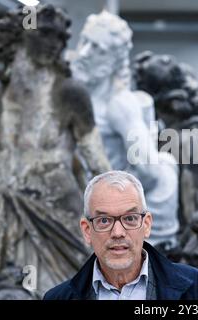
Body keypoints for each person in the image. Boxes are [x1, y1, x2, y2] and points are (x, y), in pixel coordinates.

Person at [0, 5, 111, 295]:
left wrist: (117, 215)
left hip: (60, 218)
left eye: (60, 36)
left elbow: (99, 165)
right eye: (44, 33)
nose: (54, 42)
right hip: (5, 221)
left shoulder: (70, 93)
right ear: (19, 35)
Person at [69, 11, 179, 249]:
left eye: (97, 48)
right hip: (65, 198)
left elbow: (149, 172)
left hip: (101, 210)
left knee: (167, 165)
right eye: (84, 41)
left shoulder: (121, 105)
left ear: (115, 59)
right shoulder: (69, 95)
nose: (85, 53)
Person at [43, 171, 198, 300]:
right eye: (104, 220)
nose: (118, 233)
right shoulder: (57, 298)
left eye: (130, 218)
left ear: (146, 225)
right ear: (87, 230)